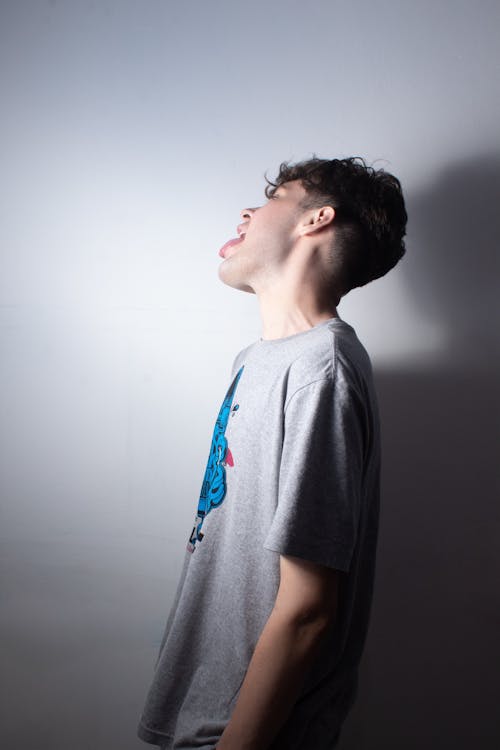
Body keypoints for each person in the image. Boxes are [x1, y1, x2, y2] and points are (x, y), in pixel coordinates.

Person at [137, 156, 408, 750]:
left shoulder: (322, 368)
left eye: (274, 195)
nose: (247, 210)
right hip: (202, 715)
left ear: (317, 219)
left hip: (247, 732)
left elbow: (309, 610)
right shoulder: (256, 361)